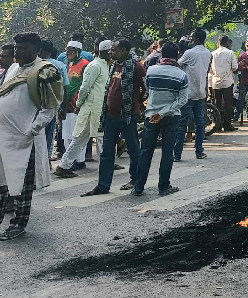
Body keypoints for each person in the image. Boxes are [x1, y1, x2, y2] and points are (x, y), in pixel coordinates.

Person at [0, 32, 63, 241]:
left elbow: (51, 107)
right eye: (16, 48)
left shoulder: (45, 70)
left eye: (22, 48)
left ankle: (18, 224)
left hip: (22, 138)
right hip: (0, 137)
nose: (17, 52)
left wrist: (32, 129)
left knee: (22, 184)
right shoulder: (14, 68)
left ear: (35, 50)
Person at [83, 40, 145, 195]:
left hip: (128, 115)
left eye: (113, 50)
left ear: (123, 50)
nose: (110, 52)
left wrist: (136, 105)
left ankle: (136, 181)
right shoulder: (114, 65)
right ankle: (103, 185)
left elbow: (144, 87)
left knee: (133, 149)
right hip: (110, 114)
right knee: (106, 152)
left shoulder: (136, 66)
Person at [133, 41, 187, 196]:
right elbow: (182, 100)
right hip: (171, 117)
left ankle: (138, 187)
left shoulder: (151, 70)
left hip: (151, 115)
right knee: (167, 152)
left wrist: (157, 111)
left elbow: (149, 90)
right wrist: (164, 112)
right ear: (177, 55)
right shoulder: (181, 75)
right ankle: (163, 186)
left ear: (161, 53)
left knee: (146, 152)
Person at [54, 40, 110, 178]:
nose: (68, 53)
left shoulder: (99, 65)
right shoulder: (94, 66)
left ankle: (65, 165)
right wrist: (77, 104)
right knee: (81, 138)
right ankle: (64, 165)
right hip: (89, 107)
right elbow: (84, 87)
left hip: (96, 107)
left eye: (71, 50)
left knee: (95, 136)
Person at [176, 28, 211, 161]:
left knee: (182, 123)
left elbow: (177, 65)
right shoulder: (208, 53)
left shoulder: (189, 53)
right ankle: (199, 151)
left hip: (187, 92)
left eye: (191, 37)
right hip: (201, 92)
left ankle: (177, 154)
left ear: (196, 39)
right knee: (199, 124)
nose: (189, 40)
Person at [59, 41, 91, 170]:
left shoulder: (85, 65)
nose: (67, 53)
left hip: (78, 105)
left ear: (77, 51)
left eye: (70, 51)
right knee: (66, 135)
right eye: (67, 50)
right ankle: (72, 159)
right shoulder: (70, 64)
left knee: (76, 135)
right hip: (68, 105)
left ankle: (80, 160)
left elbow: (86, 86)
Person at [209, 35, 239, 133]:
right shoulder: (230, 53)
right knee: (228, 104)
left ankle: (218, 124)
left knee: (217, 103)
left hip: (215, 82)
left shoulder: (212, 54)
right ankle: (227, 124)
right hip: (227, 82)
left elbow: (210, 70)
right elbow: (235, 68)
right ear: (226, 43)